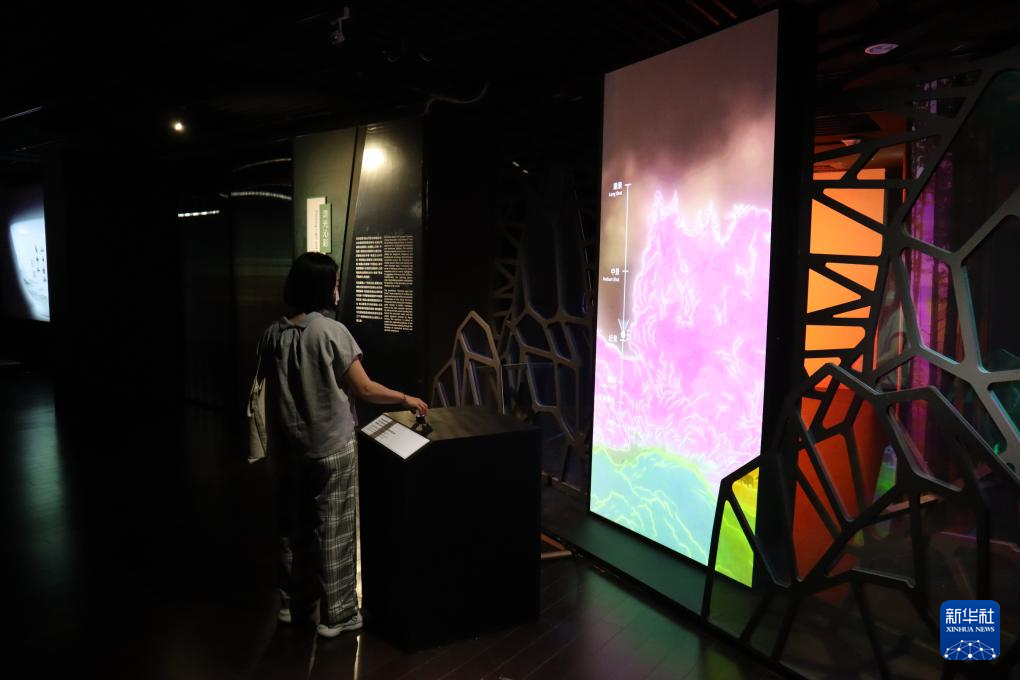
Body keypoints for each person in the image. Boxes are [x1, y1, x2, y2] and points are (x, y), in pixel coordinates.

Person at [257, 252, 428, 638]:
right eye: (334, 283)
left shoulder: (273, 334)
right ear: (320, 287)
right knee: (334, 529)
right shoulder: (331, 333)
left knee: (291, 528)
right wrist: (405, 398)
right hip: (332, 446)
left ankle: (292, 604)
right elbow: (365, 389)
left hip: (288, 450)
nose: (337, 290)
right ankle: (338, 615)